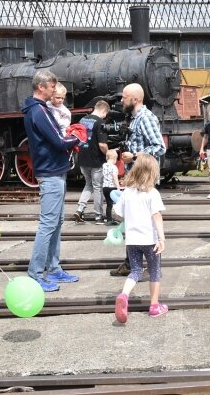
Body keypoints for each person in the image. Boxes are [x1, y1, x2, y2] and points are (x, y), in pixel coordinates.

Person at [22, 69, 82, 292]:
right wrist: (79, 136)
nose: (54, 90)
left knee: (55, 223)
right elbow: (58, 141)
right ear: (41, 87)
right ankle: (36, 273)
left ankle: (54, 268)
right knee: (48, 224)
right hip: (51, 173)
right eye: (51, 87)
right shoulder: (38, 111)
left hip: (54, 170)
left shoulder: (39, 110)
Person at [112, 82, 166, 277]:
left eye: (124, 97)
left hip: (143, 179)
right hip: (135, 177)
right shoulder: (134, 118)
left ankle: (144, 264)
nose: (121, 100)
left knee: (142, 220)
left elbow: (159, 147)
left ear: (135, 99)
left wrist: (134, 155)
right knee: (134, 220)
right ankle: (132, 262)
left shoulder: (145, 118)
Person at [113, 154, 167, 323]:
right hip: (149, 240)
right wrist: (162, 239)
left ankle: (124, 294)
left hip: (132, 240)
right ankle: (154, 306)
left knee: (136, 270)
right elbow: (156, 216)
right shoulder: (152, 193)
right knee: (154, 272)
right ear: (153, 172)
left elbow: (117, 214)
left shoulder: (127, 192)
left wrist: (129, 219)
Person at [74, 100, 110, 225]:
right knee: (97, 187)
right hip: (96, 160)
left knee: (88, 184)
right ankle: (98, 216)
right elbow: (102, 144)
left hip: (82, 158)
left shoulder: (82, 120)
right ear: (104, 111)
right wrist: (109, 153)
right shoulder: (100, 122)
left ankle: (79, 210)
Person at [102, 149, 123, 226]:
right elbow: (115, 178)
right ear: (114, 158)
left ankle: (109, 219)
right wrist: (118, 187)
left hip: (105, 188)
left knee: (108, 204)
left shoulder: (103, 166)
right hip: (112, 188)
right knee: (115, 203)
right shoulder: (114, 167)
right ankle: (118, 218)